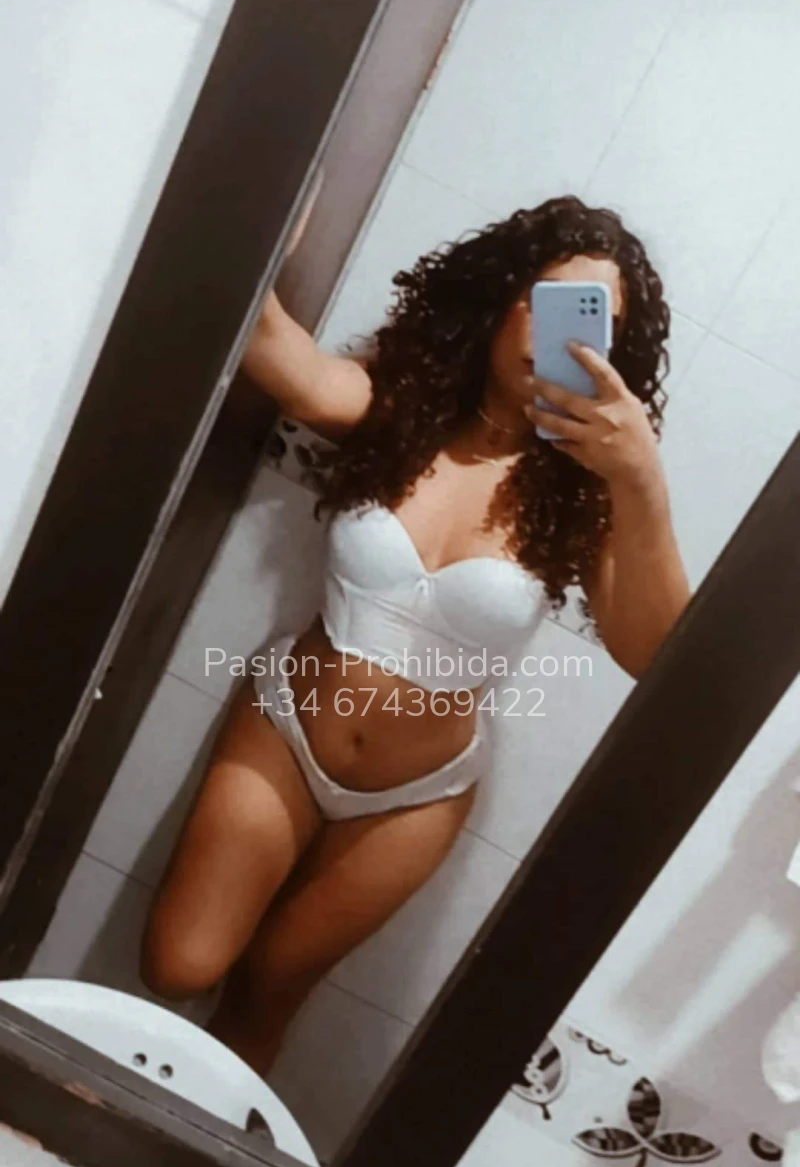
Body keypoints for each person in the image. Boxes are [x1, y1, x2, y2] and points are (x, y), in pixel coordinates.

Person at [141, 194, 690, 1073]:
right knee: (180, 964)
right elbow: (278, 350)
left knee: (266, 994)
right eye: (545, 300)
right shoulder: (404, 402)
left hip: (415, 795)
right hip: (286, 729)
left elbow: (657, 655)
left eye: (595, 321)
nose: (562, 334)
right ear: (502, 296)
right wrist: (287, 196)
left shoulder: (586, 491)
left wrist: (642, 479)